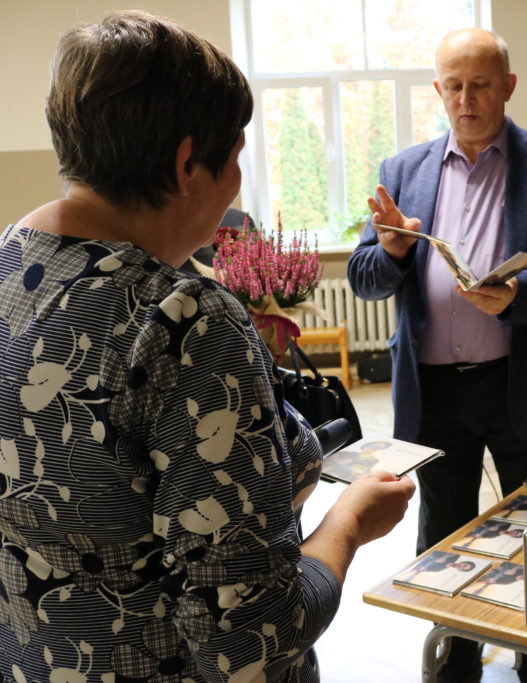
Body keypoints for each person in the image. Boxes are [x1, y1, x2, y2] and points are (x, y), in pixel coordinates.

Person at [0, 12, 415, 682]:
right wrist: (349, 522)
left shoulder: (10, 273)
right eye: (238, 156)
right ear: (187, 163)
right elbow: (250, 642)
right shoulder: (183, 319)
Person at [347, 26, 527, 683]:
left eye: (481, 85)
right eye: (454, 86)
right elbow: (364, 277)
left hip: (525, 382)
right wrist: (393, 251)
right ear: (438, 90)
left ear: (509, 86)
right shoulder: (402, 171)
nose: (466, 100)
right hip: (434, 393)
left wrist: (521, 292)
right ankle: (456, 661)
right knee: (445, 535)